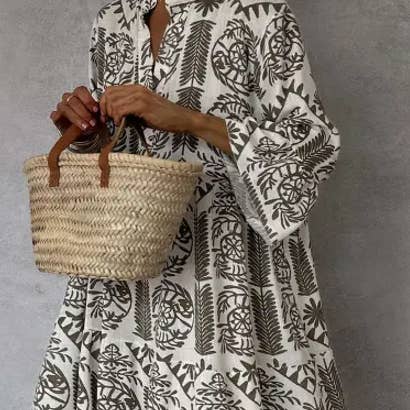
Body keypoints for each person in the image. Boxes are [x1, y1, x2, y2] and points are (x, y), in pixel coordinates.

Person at [33, 0, 347, 409]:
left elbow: (312, 146)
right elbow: (119, 155)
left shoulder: (260, 12)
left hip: (227, 274)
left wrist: (192, 120)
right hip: (124, 277)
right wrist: (87, 132)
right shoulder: (112, 20)